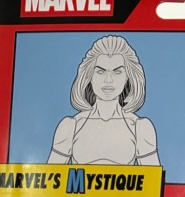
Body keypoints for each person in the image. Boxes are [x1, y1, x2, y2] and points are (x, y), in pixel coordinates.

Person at [47, 36, 160, 166]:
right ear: (89, 76)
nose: (108, 80)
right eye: (100, 71)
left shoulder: (140, 128)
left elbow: (154, 178)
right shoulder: (70, 126)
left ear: (128, 77)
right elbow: (51, 176)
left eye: (117, 72)